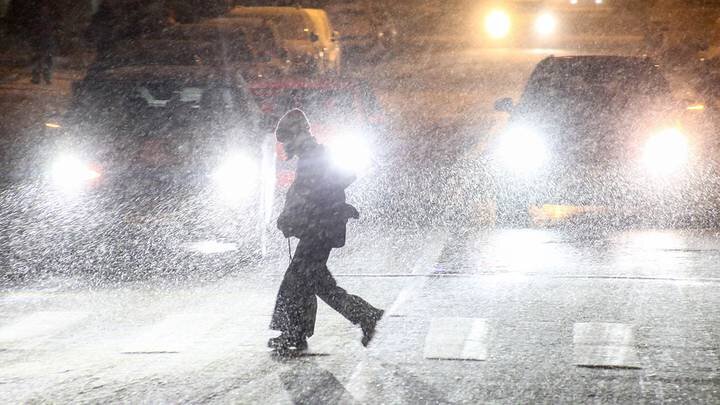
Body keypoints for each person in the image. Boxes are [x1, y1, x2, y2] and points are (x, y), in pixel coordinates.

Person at [269, 109, 384, 352]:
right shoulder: (312, 155)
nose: (285, 146)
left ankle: (294, 334)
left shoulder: (313, 156)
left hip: (319, 230)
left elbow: (313, 194)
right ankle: (363, 315)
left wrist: (294, 217)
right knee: (315, 282)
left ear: (297, 134)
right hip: (321, 228)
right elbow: (321, 189)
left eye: (287, 139)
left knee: (297, 280)